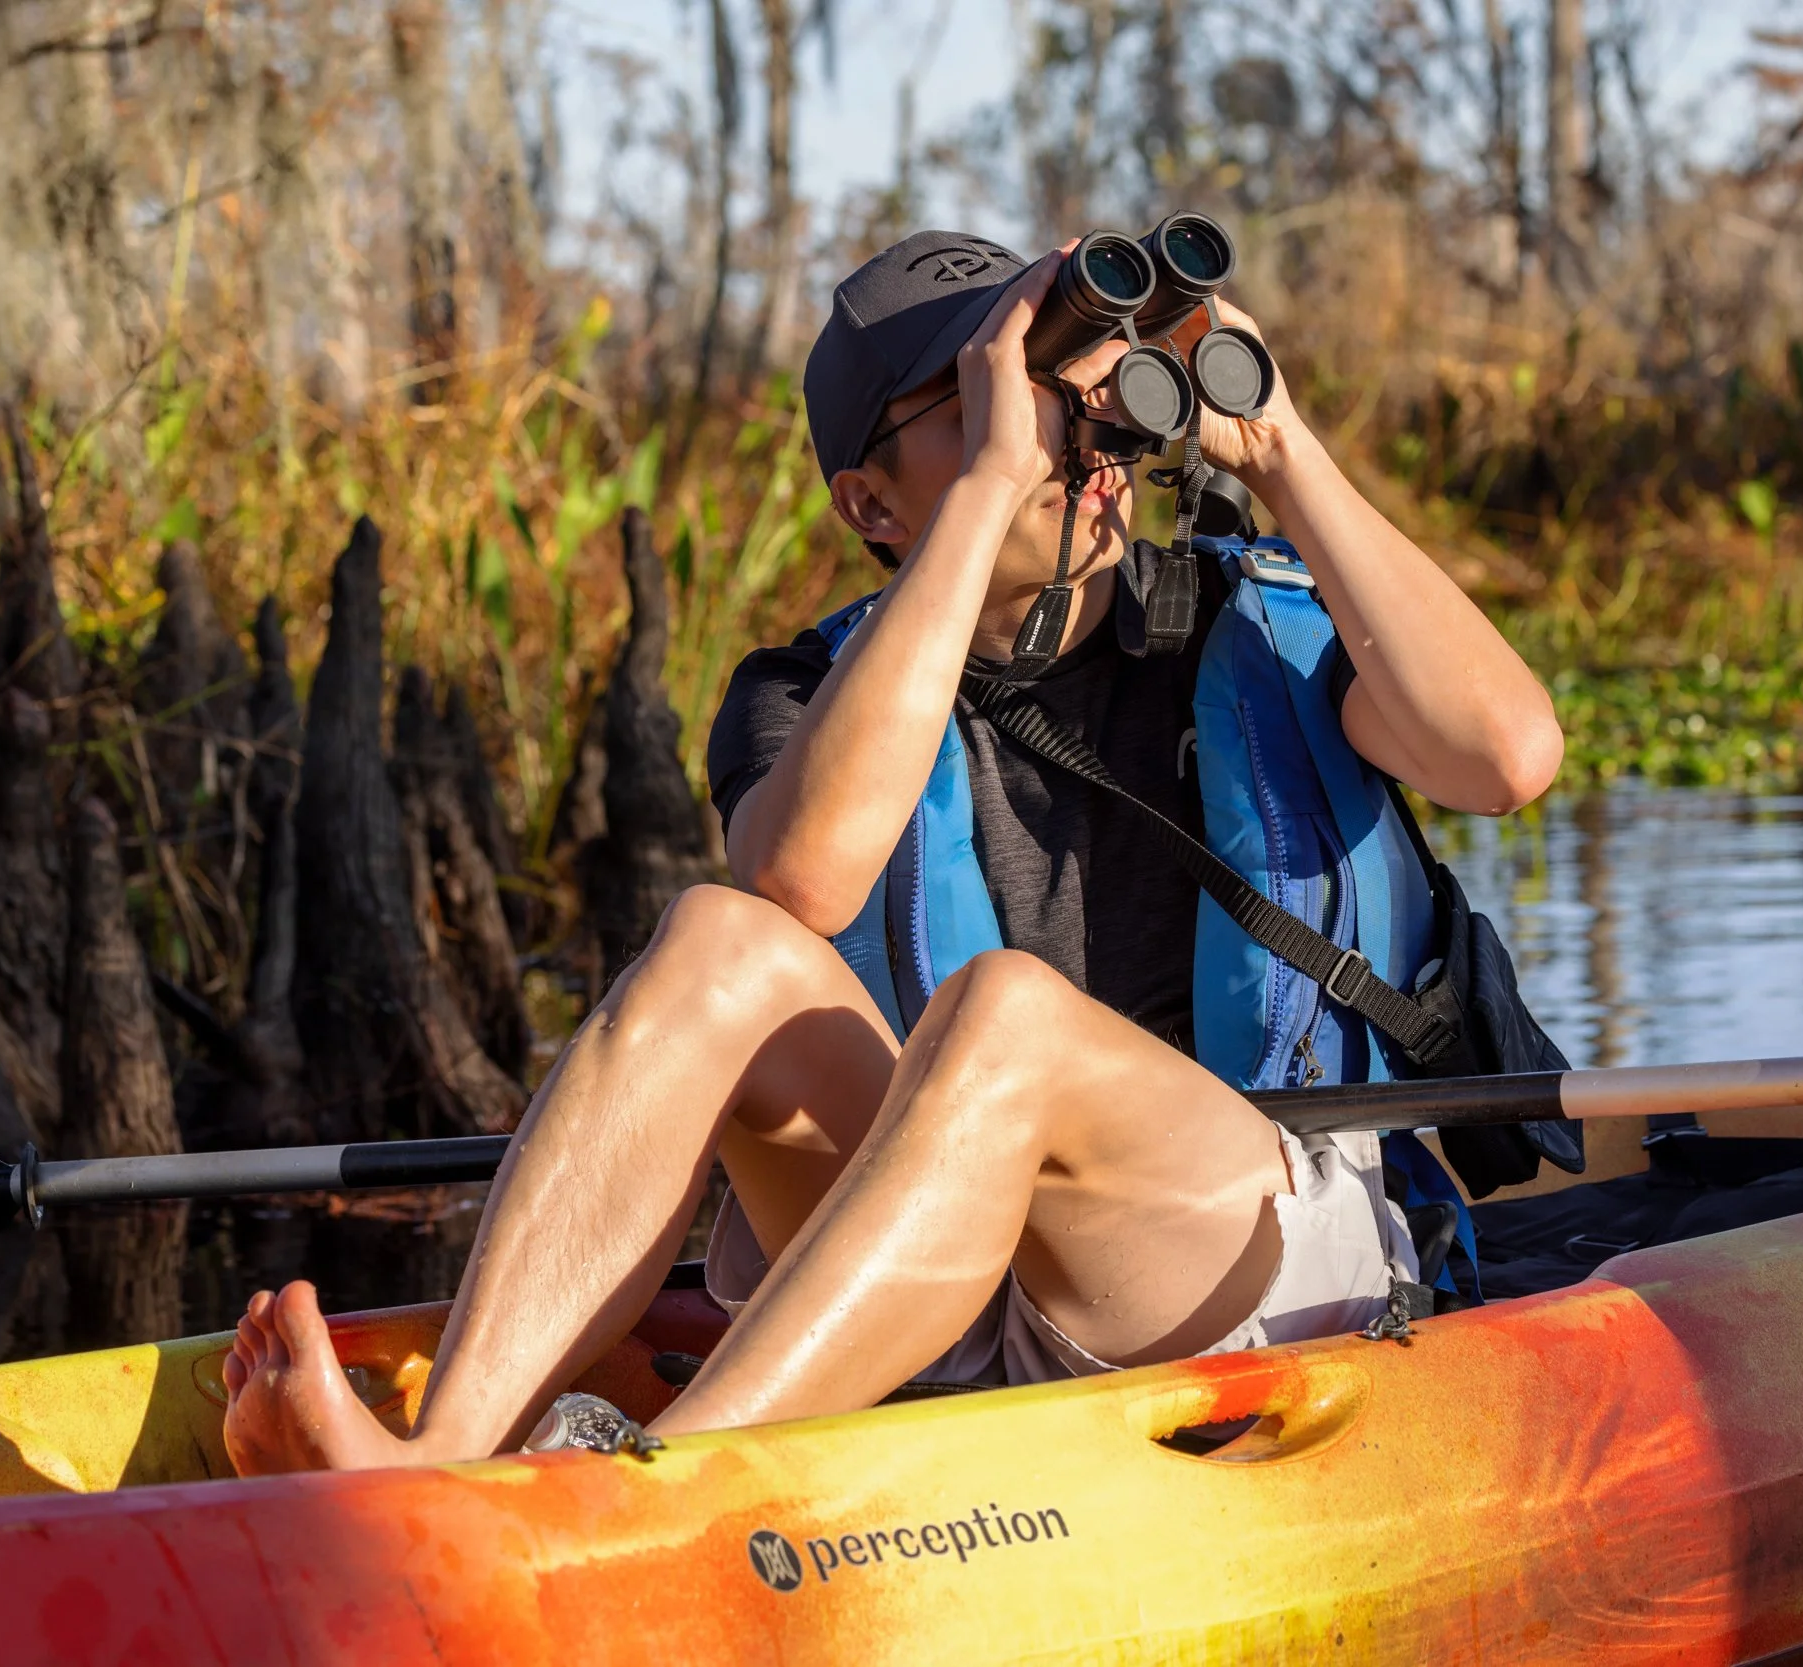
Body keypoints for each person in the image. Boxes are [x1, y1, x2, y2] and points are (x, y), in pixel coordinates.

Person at [219, 231, 1563, 1473]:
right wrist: (991, 489)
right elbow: (803, 882)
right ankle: (435, 1466)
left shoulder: (1266, 618)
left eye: (1063, 375)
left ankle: (655, 1486)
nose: (1060, 423)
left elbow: (1506, 758)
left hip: (1242, 1252)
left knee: (1006, 1018)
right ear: (870, 501)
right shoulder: (803, 689)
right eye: (990, 393)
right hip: (932, 1279)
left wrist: (1275, 446)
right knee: (716, 940)